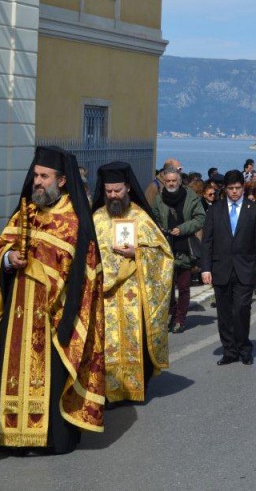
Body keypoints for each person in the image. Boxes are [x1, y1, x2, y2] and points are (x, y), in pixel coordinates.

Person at [0, 146, 105, 454]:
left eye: (44, 176)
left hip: (54, 315)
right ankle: (13, 437)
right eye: (36, 175)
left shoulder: (74, 221)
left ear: (61, 181)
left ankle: (49, 439)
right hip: (18, 312)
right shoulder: (24, 213)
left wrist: (45, 271)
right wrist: (9, 259)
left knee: (49, 375)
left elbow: (84, 273)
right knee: (13, 373)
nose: (37, 181)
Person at [91, 162, 174, 404]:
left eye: (117, 190)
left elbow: (163, 254)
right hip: (104, 296)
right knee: (105, 344)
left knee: (136, 339)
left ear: (127, 188)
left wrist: (137, 254)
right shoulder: (96, 218)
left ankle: (134, 388)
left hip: (134, 295)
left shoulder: (140, 217)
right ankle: (106, 392)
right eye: (108, 191)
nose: (113, 196)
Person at [201, 170, 256, 366]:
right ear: (225, 189)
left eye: (238, 188)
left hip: (245, 268)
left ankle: (244, 347)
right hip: (220, 268)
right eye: (230, 188)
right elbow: (207, 241)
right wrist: (205, 268)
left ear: (243, 187)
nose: (234, 192)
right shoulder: (215, 210)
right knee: (224, 312)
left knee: (241, 309)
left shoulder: (253, 210)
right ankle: (229, 350)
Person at [151, 166, 206, 333]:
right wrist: (160, 228)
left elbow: (200, 218)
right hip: (166, 247)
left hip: (185, 246)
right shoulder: (159, 199)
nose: (171, 183)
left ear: (180, 181)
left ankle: (180, 319)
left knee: (183, 286)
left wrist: (183, 228)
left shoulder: (191, 197)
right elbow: (154, 218)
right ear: (164, 182)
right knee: (167, 287)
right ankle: (171, 313)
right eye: (168, 181)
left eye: (174, 180)